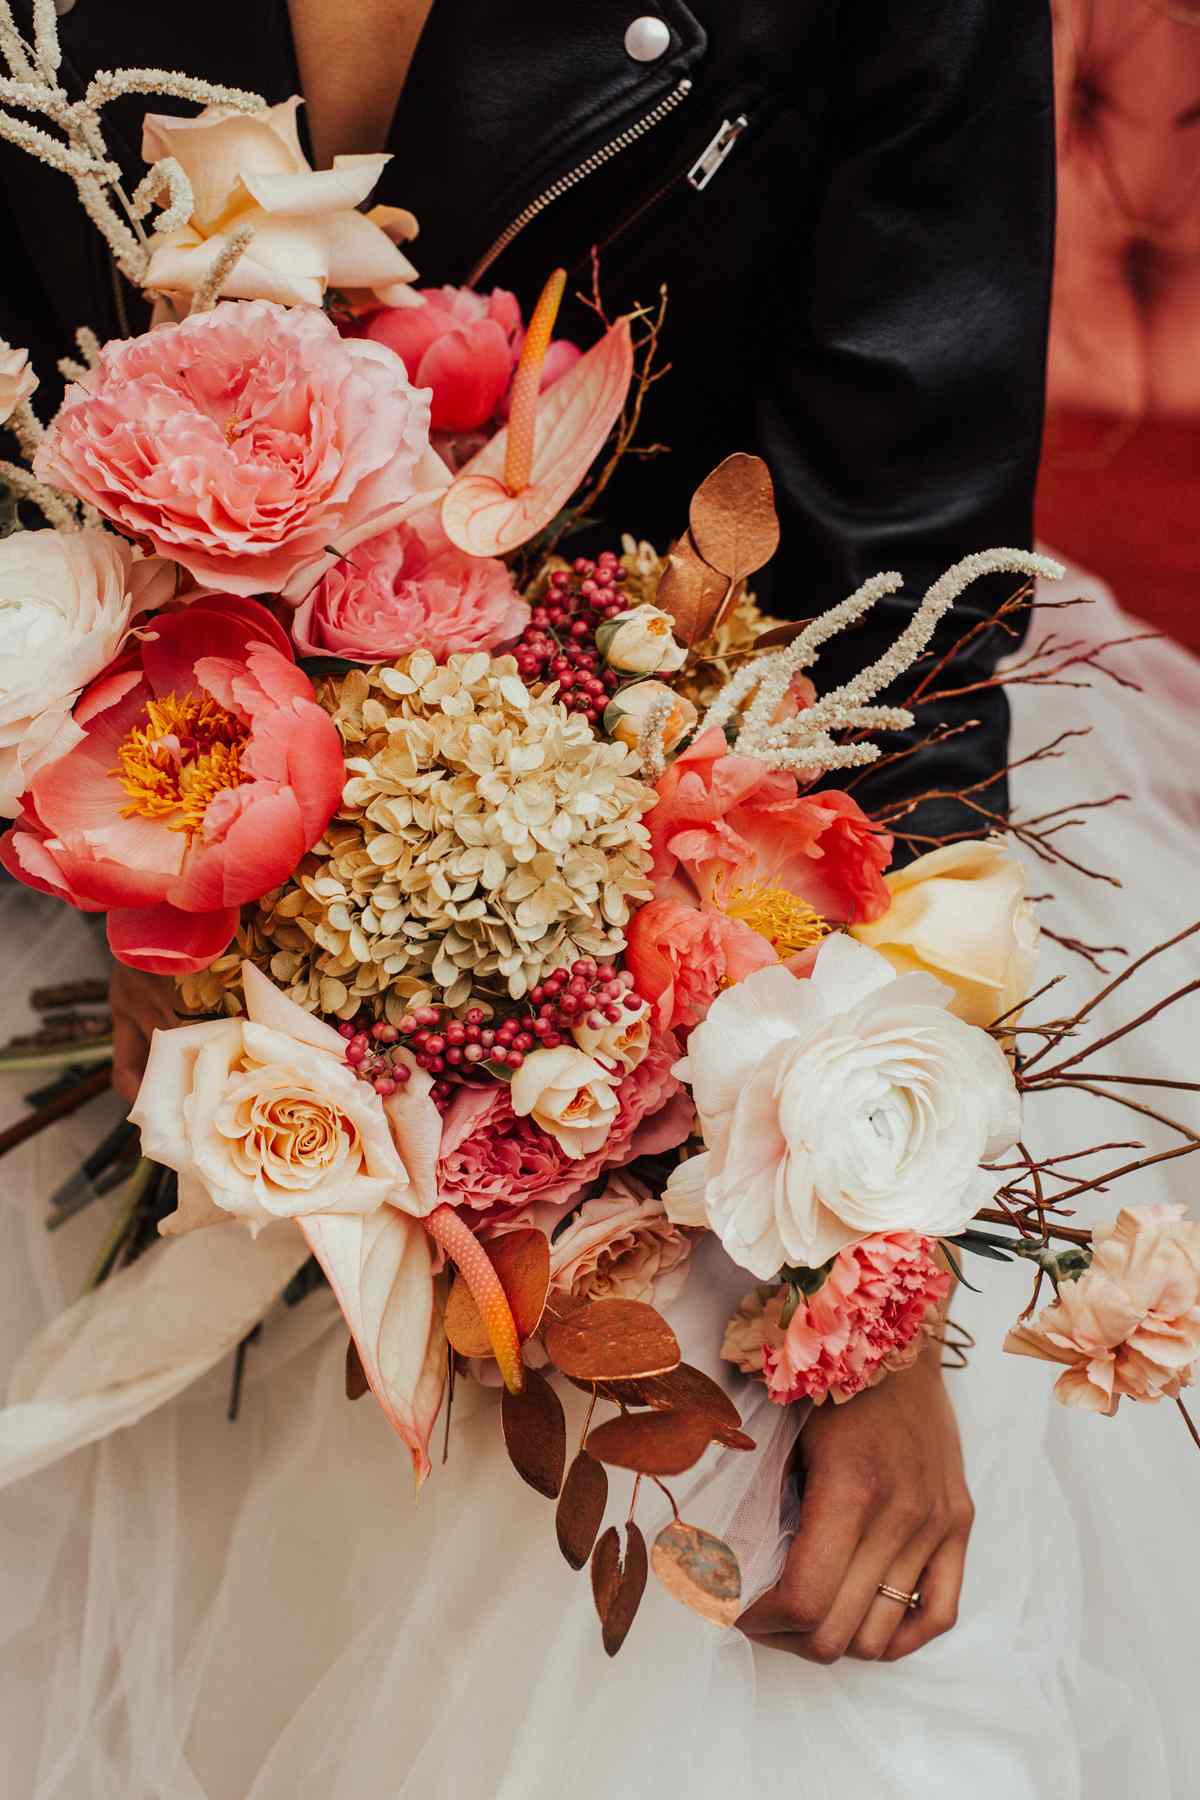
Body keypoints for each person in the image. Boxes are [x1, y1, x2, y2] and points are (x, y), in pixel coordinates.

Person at [3, 4, 1124, 1794]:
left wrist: (875, 1276)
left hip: (681, 942)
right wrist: (106, 854)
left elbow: (888, 626)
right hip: (100, 907)